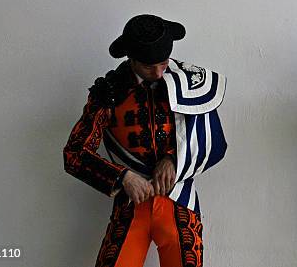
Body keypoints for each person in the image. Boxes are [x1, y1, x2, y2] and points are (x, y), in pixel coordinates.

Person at [63, 14, 227, 267]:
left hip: (180, 200)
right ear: (132, 60)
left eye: (163, 63)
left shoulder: (189, 83)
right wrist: (123, 177)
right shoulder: (109, 91)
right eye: (149, 66)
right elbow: (74, 154)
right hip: (130, 204)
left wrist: (174, 160)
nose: (159, 72)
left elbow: (215, 142)